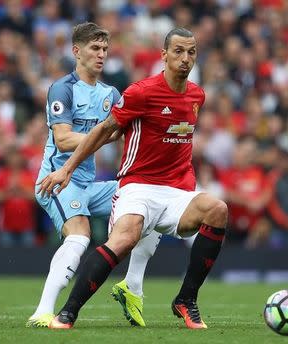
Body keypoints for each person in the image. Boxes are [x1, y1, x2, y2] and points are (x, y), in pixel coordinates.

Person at [38, 27, 228, 330]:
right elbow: (103, 131)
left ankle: (185, 300)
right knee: (124, 238)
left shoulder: (197, 95)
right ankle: (67, 312)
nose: (185, 58)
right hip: (137, 185)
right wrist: (67, 169)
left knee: (218, 210)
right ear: (164, 55)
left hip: (177, 190)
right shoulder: (141, 92)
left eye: (191, 52)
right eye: (178, 51)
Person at [27, 22, 162, 328]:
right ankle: (43, 311)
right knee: (80, 236)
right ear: (77, 51)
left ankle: (132, 287)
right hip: (58, 180)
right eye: (94, 48)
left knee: (151, 203)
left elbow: (129, 129)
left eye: (104, 49)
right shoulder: (63, 88)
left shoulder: (110, 93)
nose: (101, 55)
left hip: (89, 183)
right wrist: (105, 135)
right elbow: (62, 139)